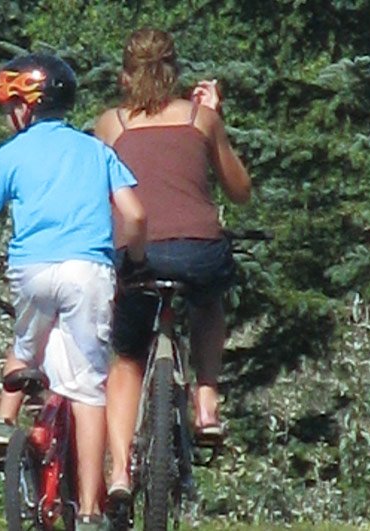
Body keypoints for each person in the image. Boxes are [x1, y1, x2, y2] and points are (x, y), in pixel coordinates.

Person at [0, 53, 148, 530]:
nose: (7, 114)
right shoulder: (96, 150)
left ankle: (3, 424)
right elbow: (135, 216)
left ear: (28, 107)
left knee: (25, 342)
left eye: (10, 104)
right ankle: (94, 511)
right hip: (87, 271)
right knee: (88, 389)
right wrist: (133, 262)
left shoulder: (10, 155)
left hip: (32, 270)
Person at [92, 27, 253, 507]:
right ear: (175, 72)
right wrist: (214, 117)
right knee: (208, 304)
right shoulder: (200, 120)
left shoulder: (111, 124)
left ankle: (119, 470)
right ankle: (206, 401)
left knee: (126, 357)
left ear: (126, 76)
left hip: (140, 253)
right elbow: (240, 190)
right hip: (199, 249)